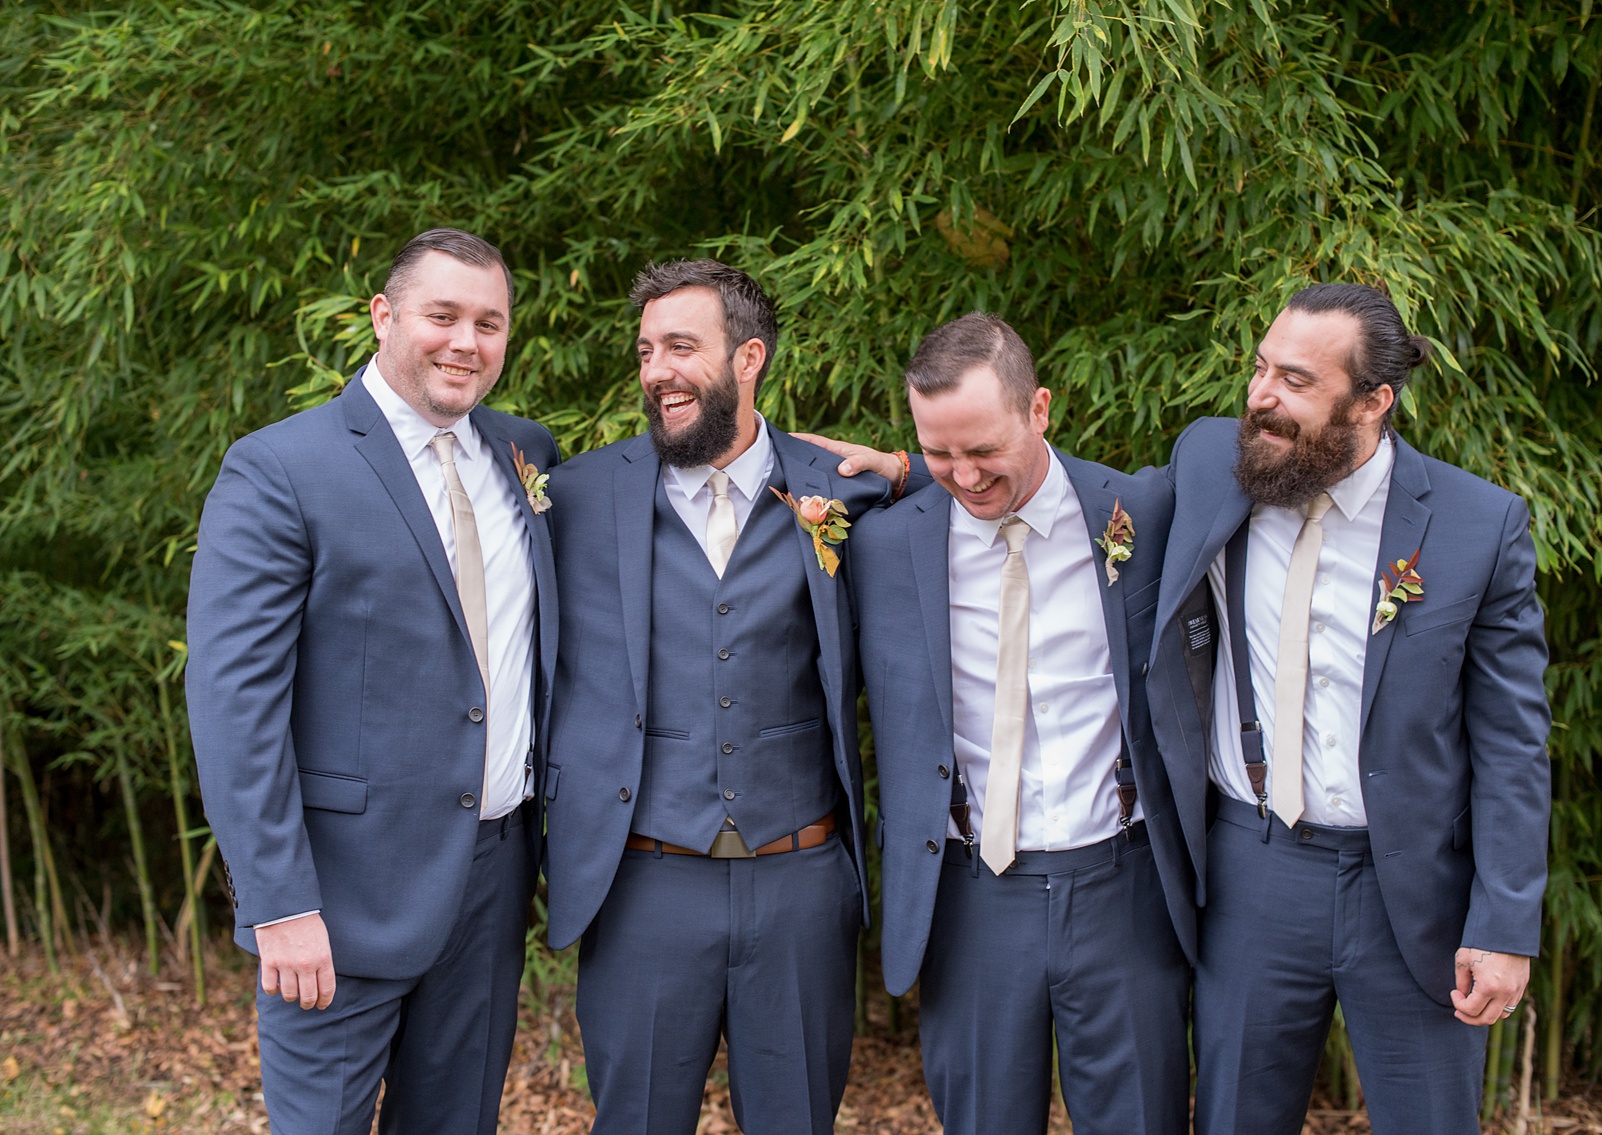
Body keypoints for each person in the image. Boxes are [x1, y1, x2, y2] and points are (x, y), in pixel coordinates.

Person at [1146, 283, 1551, 1134]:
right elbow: (1073, 499)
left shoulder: (1480, 525)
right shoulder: (1210, 460)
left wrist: (1505, 923)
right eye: (1259, 368)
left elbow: (1513, 742)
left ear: (1373, 402)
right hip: (1251, 871)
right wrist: (922, 471)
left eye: (1295, 381)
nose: (1261, 395)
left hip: (1412, 891)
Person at [186, 228, 559, 1135]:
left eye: (490, 322)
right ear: (383, 316)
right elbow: (237, 704)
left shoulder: (526, 453)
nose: (466, 342)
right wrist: (279, 903)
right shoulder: (281, 466)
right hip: (339, 899)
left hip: (492, 880)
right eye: (443, 316)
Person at [538, 259, 907, 1135]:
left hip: (802, 883)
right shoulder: (578, 495)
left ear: (749, 358)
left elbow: (976, 482)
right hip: (642, 883)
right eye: (644, 350)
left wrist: (907, 463)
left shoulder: (841, 483)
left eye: (679, 346)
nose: (656, 370)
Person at [850, 313, 1194, 1134]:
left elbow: (1226, 450)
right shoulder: (883, 545)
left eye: (983, 449)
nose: (963, 476)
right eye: (937, 451)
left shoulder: (1140, 515)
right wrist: (905, 472)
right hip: (969, 893)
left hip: (1124, 886)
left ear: (1040, 409)